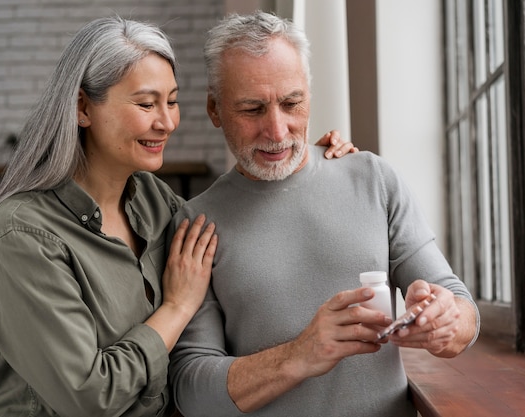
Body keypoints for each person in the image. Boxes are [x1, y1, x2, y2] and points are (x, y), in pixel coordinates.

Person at [0, 15, 354, 417]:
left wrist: (318, 168)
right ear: (83, 108)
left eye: (171, 101)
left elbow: (233, 228)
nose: (166, 122)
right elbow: (88, 397)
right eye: (146, 104)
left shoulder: (156, 203)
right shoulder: (22, 234)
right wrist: (176, 308)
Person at [168, 11, 480, 417]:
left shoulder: (373, 178)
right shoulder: (196, 224)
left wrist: (446, 321)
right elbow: (193, 391)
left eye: (291, 102)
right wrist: (301, 354)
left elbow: (460, 308)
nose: (277, 130)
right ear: (215, 109)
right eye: (252, 109)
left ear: (309, 95)